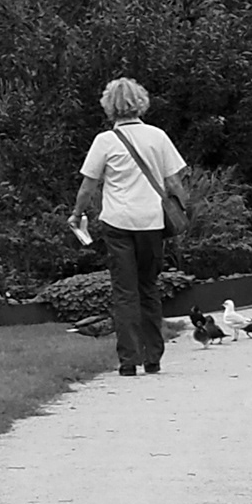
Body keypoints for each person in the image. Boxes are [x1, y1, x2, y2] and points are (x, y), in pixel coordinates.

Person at [72, 77, 188, 378]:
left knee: (124, 292)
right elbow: (174, 182)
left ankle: (128, 360)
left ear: (109, 106)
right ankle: (153, 358)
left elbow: (88, 185)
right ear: (141, 102)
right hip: (151, 223)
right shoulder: (158, 137)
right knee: (148, 287)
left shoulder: (105, 142)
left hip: (118, 223)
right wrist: (183, 211)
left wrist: (77, 213)